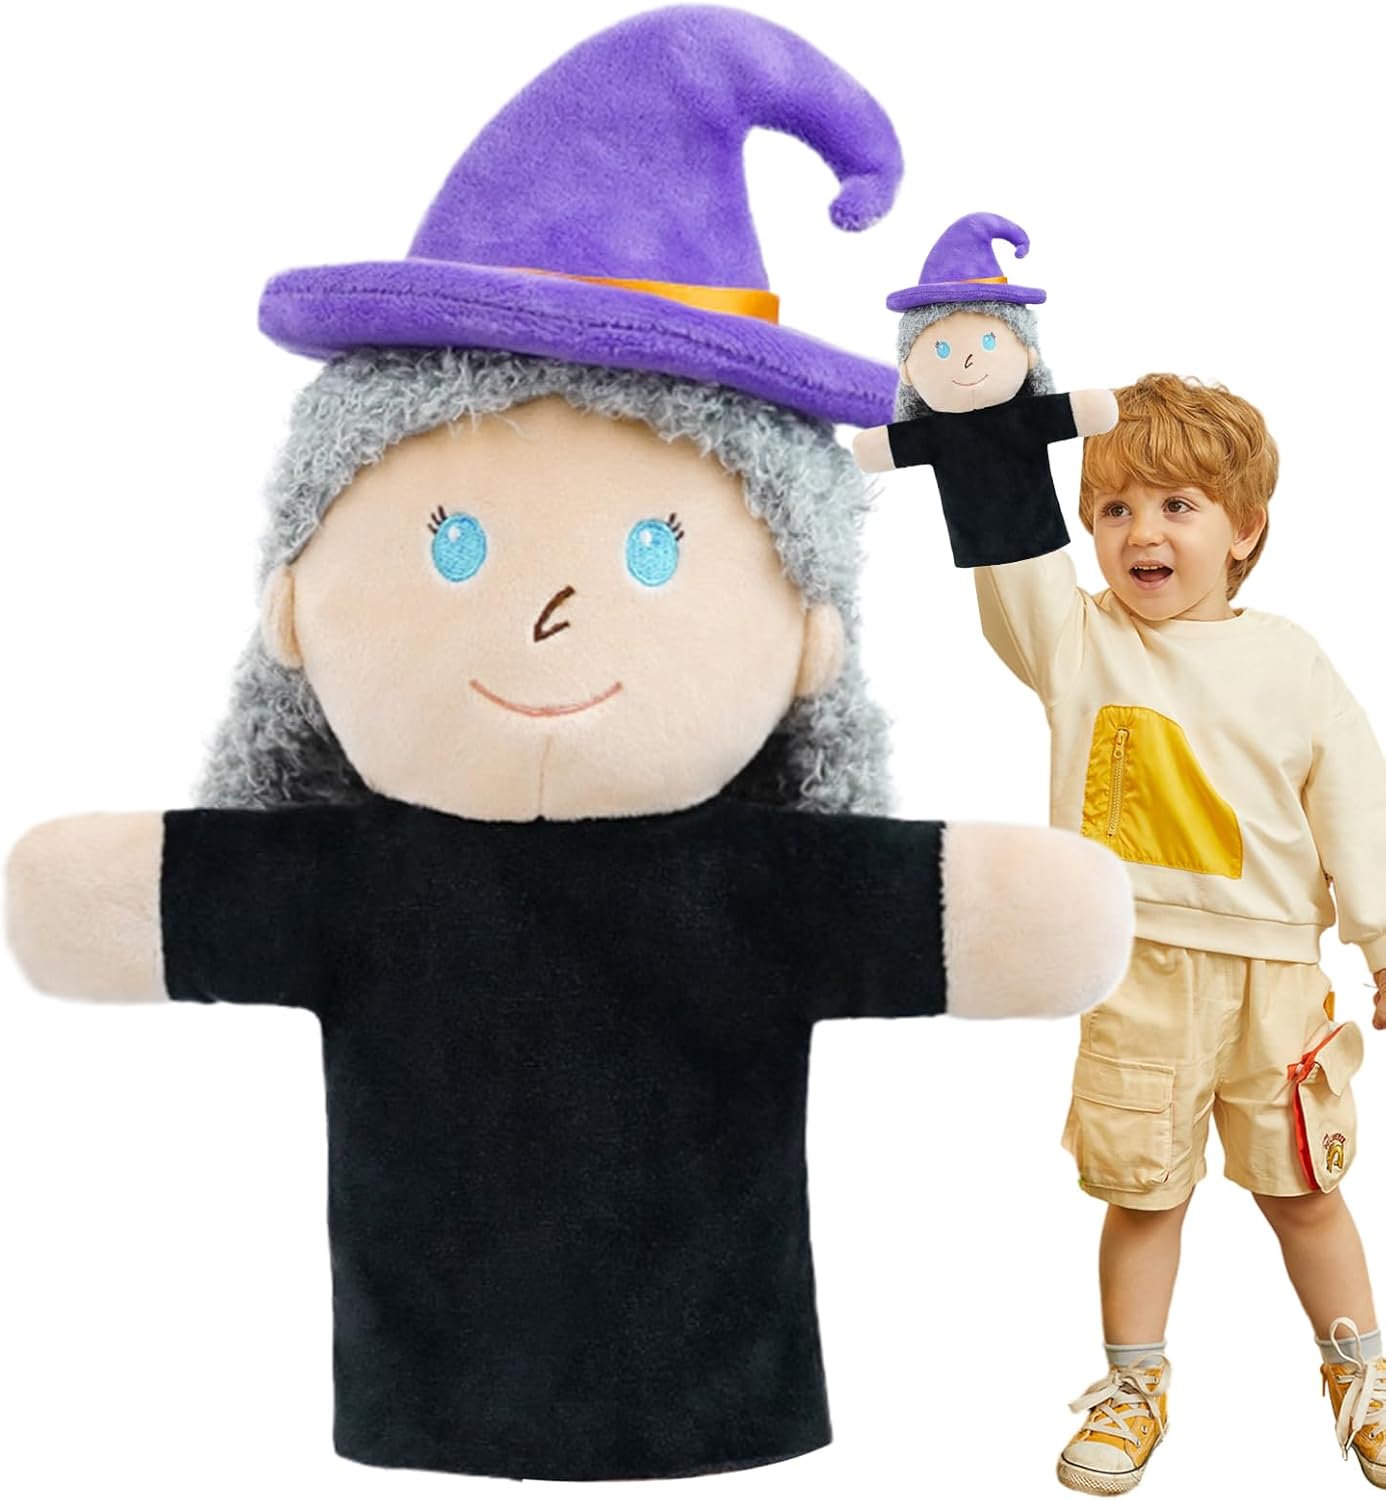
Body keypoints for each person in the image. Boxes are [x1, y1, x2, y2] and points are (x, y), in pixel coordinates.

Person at [2, 7, 1134, 1484]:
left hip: (708, 1407)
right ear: (293, 600)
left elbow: (1023, 923)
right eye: (452, 543)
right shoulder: (355, 876)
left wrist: (1035, 905)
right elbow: (92, 905)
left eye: (660, 549)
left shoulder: (758, 881)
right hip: (442, 1406)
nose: (549, 615)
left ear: (810, 632)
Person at [967, 371, 1386, 1491]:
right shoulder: (1078, 644)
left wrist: (1382, 943)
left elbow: (1358, 805)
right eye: (1114, 509)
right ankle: (1134, 1385)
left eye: (1177, 506)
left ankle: (1362, 1374)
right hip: (1137, 970)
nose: (1141, 532)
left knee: (1304, 1190)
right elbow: (1011, 560)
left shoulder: (1291, 660)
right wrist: (986, 435)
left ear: (1244, 528)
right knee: (1144, 1194)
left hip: (1275, 980)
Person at [852, 211, 1117, 566]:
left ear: (1028, 353)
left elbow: (1090, 411)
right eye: (941, 350)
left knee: (1043, 591)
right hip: (979, 554)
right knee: (997, 599)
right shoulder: (936, 433)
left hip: (1040, 546)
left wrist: (1094, 408)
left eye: (989, 341)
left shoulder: (1027, 417)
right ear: (908, 371)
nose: (967, 361)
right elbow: (875, 450)